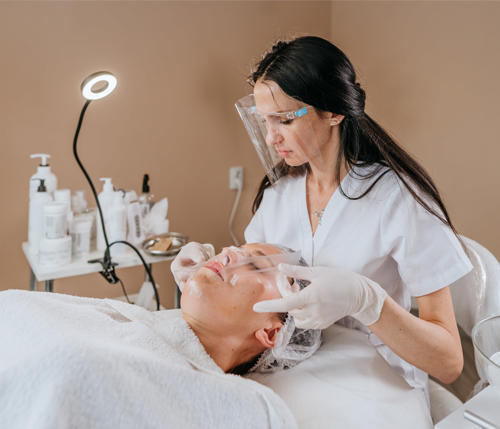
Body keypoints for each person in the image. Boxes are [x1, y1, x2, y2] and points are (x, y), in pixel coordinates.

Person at [172, 36, 473, 402]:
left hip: (378, 385)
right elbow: (250, 300)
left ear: (334, 111)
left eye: (284, 119)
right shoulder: (279, 196)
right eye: (264, 121)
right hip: (299, 376)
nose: (270, 138)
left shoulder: (398, 201)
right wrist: (202, 279)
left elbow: (449, 362)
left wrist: (367, 303)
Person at [0, 243, 320, 429]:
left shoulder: (244, 406)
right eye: (235, 247)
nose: (227, 252)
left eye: (257, 265)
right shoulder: (126, 323)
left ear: (273, 332)